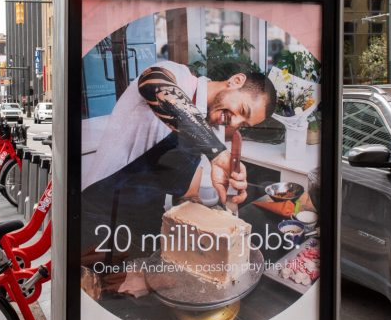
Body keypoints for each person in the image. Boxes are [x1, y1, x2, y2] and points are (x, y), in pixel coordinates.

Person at [80, 61, 277, 246]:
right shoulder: (179, 77)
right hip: (100, 212)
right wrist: (216, 152)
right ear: (236, 80)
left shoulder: (212, 129)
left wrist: (213, 220)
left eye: (243, 124)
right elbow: (153, 84)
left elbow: (188, 194)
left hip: (144, 222)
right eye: (242, 110)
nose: (234, 123)